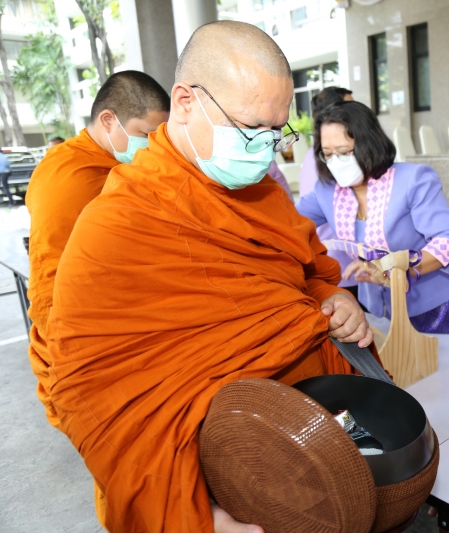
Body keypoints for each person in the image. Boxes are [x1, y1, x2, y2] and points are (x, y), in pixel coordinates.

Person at [47, 21, 373, 533]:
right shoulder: (116, 225)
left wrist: (337, 300)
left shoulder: (265, 196)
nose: (265, 148)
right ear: (185, 102)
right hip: (213, 483)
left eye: (277, 131)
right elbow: (86, 391)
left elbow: (306, 276)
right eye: (250, 129)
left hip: (316, 439)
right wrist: (200, 519)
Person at [26, 70, 169, 432]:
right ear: (108, 120)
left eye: (159, 137)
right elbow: (64, 279)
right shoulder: (73, 177)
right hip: (81, 332)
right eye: (143, 135)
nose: (151, 146)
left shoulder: (114, 165)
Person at [297, 100, 449, 337]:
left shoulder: (413, 180)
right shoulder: (327, 191)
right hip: (381, 308)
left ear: (369, 144)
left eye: (344, 152)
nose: (336, 162)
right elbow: (287, 221)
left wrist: (396, 267)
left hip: (439, 304)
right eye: (328, 155)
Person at [299, 86, 358, 299]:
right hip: (343, 265)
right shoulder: (331, 161)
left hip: (345, 265)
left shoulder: (315, 154)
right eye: (349, 107)